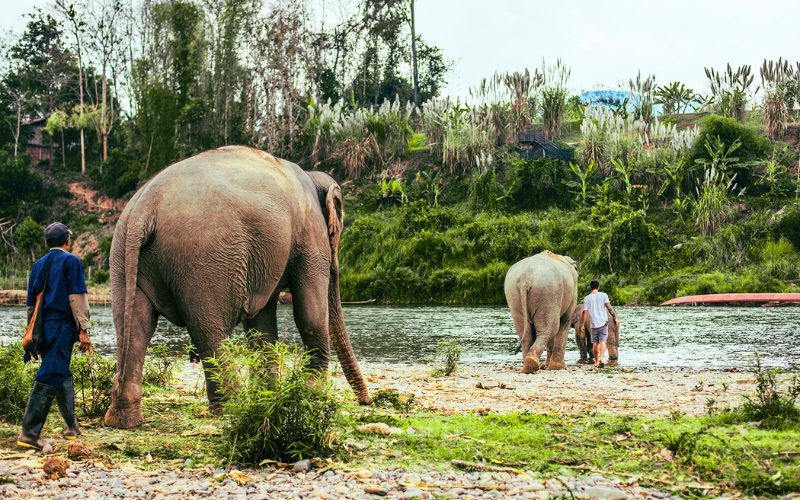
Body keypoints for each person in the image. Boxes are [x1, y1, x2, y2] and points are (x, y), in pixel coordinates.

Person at [18, 222, 92, 450]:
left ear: (47, 242)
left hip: (43, 327)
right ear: (67, 241)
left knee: (60, 371)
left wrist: (31, 334)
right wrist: (83, 330)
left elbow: (31, 305)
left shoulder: (37, 265)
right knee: (51, 372)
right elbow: (76, 297)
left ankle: (72, 427)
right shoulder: (72, 261)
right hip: (62, 326)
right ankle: (29, 433)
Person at [580, 280, 619, 368]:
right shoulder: (603, 295)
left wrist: (582, 325)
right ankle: (601, 358)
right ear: (598, 287)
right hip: (603, 322)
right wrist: (615, 317)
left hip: (593, 323)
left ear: (590, 287)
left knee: (595, 343)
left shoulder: (587, 298)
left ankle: (596, 361)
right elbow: (609, 307)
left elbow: (585, 312)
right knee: (603, 341)